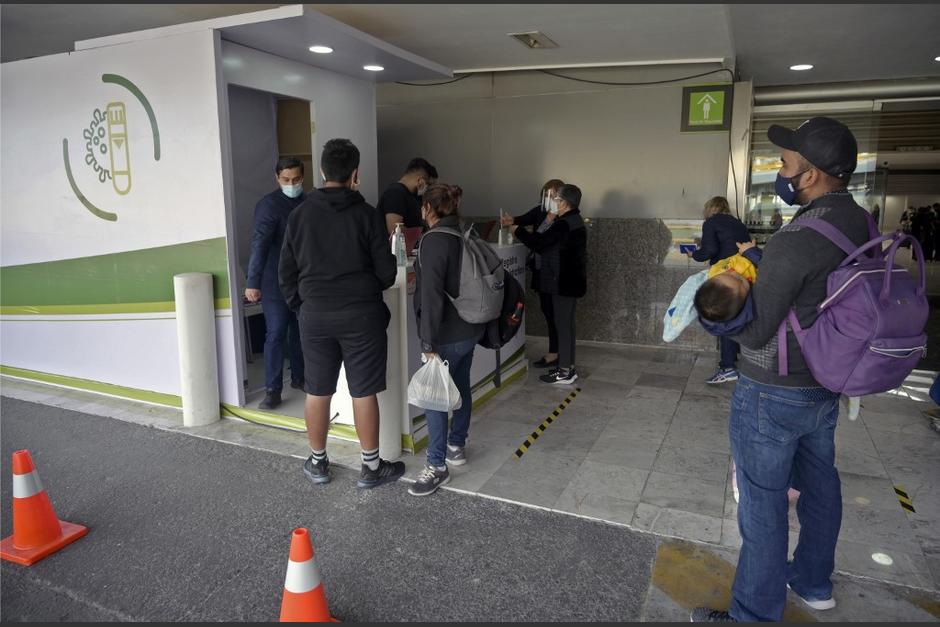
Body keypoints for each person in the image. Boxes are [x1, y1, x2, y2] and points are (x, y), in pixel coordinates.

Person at [692, 116, 871, 623]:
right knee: (821, 485)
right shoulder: (858, 221)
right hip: (825, 381)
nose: (781, 169)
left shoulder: (798, 239)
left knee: (762, 506)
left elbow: (754, 332)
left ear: (810, 175)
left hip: (773, 391)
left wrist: (723, 298)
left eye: (788, 162)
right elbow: (817, 288)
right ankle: (813, 582)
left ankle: (751, 614)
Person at [279, 138, 405, 489]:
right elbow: (386, 272)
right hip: (361, 316)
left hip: (315, 315)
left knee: (317, 391)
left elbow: (285, 272)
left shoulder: (299, 214)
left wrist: (302, 306)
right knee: (363, 391)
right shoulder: (367, 215)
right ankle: (371, 467)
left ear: (321, 172)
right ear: (355, 174)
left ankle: (319, 463)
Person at [408, 184, 486, 496]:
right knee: (461, 385)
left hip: (448, 335)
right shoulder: (463, 233)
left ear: (429, 208)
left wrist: (428, 344)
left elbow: (431, 298)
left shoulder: (434, 240)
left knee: (435, 398)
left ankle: (437, 466)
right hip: (469, 329)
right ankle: (456, 445)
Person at [244, 157, 307, 410]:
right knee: (277, 332)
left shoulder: (310, 202)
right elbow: (258, 244)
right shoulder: (269, 206)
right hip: (274, 281)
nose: (292, 184)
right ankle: (273, 390)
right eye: (286, 180)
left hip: (302, 280)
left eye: (296, 179)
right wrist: (252, 282)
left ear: (304, 177)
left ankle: (300, 378)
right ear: (277, 178)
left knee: (301, 332)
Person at [510, 184, 587, 385]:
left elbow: (540, 244)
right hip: (570, 282)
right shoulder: (573, 220)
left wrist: (518, 230)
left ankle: (564, 371)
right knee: (566, 326)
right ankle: (567, 368)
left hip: (563, 283)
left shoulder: (564, 223)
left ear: (566, 203)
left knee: (563, 326)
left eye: (558, 200)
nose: (554, 203)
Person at [500, 178, 565, 368]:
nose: (550, 199)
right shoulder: (540, 210)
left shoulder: (562, 218)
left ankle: (557, 353)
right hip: (541, 272)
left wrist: (518, 229)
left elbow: (539, 240)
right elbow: (522, 219)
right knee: (548, 311)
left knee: (555, 315)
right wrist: (511, 221)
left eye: (554, 195)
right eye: (547, 194)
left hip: (555, 274)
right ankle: (557, 351)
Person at [686, 196, 750, 384]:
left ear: (710, 209)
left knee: (723, 319)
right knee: (736, 316)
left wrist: (694, 254)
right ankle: (735, 357)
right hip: (743, 274)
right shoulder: (738, 223)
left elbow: (710, 251)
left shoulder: (711, 222)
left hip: (725, 275)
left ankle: (728, 367)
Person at [376, 157, 438, 236]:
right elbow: (395, 229)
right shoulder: (395, 193)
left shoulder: (415, 197)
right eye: (428, 184)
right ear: (421, 181)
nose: (428, 188)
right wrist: (421, 237)